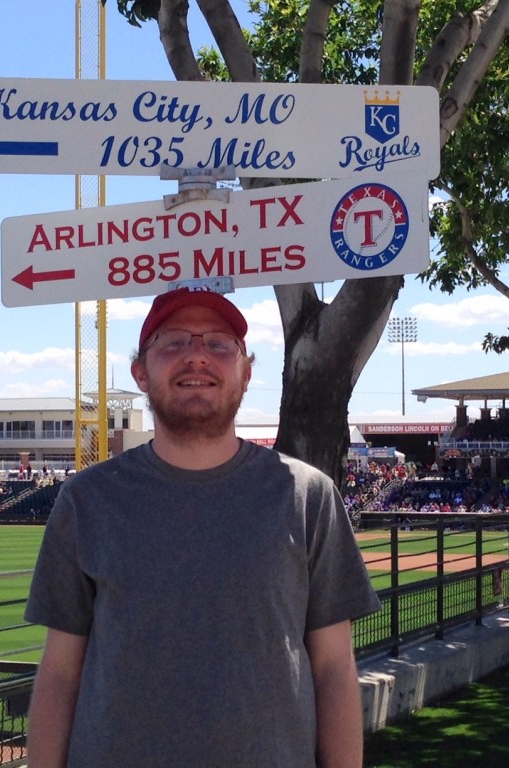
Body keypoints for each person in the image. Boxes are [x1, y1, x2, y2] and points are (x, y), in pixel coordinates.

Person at [23, 287, 381, 767]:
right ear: (140, 372)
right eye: (173, 342)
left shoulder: (307, 496)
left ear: (246, 372)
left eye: (218, 343)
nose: (196, 356)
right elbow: (60, 673)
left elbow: (334, 668)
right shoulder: (86, 499)